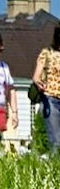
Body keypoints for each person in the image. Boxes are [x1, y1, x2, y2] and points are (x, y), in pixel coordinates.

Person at [36, 26, 60, 156]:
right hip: (52, 98)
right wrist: (39, 83)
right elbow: (36, 76)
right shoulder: (47, 53)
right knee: (56, 140)